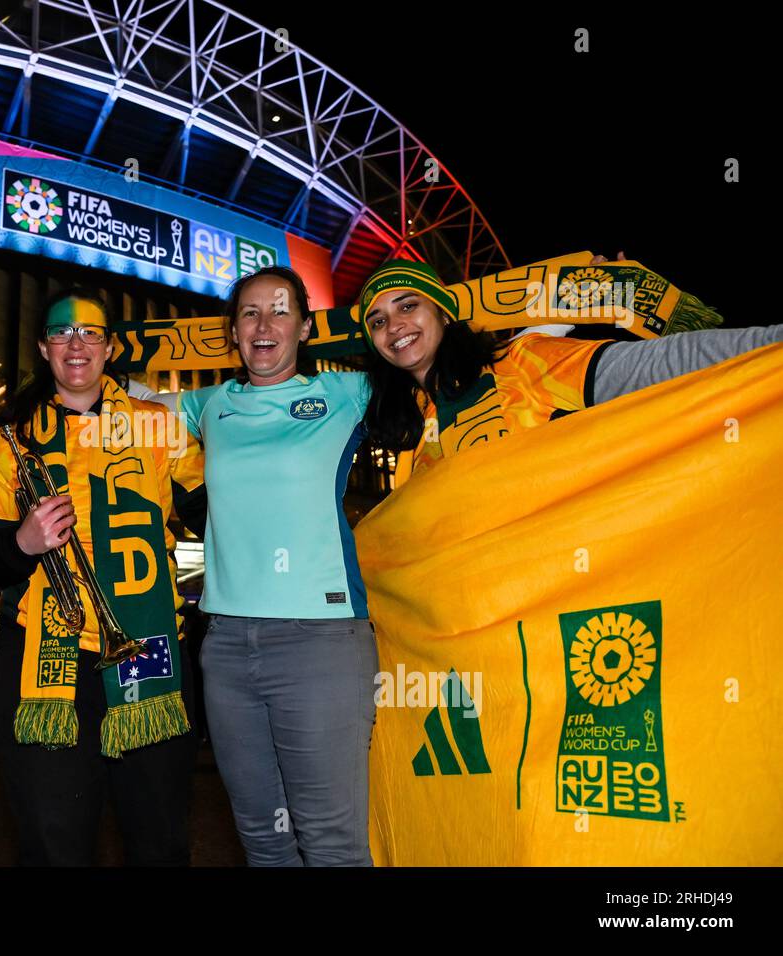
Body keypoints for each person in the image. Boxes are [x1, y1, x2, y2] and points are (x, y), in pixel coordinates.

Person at [0, 287, 206, 866]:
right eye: (62, 332)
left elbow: (214, 510)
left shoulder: (159, 427)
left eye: (90, 332)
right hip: (45, 660)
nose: (77, 343)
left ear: (110, 347)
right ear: (44, 348)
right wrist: (20, 543)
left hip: (148, 648)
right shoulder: (10, 442)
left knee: (159, 838)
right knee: (54, 842)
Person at [172, 265, 377, 867]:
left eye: (281, 310)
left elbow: (437, 366)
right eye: (250, 313)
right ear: (233, 332)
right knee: (263, 841)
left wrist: (548, 310)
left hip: (320, 641)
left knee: (331, 842)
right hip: (228, 644)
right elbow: (117, 413)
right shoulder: (208, 405)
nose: (264, 325)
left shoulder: (347, 393)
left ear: (307, 327)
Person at [358, 258, 783, 474]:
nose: (395, 326)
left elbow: (656, 365)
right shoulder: (409, 428)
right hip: (471, 621)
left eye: (408, 306)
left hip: (557, 598)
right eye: (377, 322)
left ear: (444, 314)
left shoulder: (520, 364)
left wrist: (769, 342)